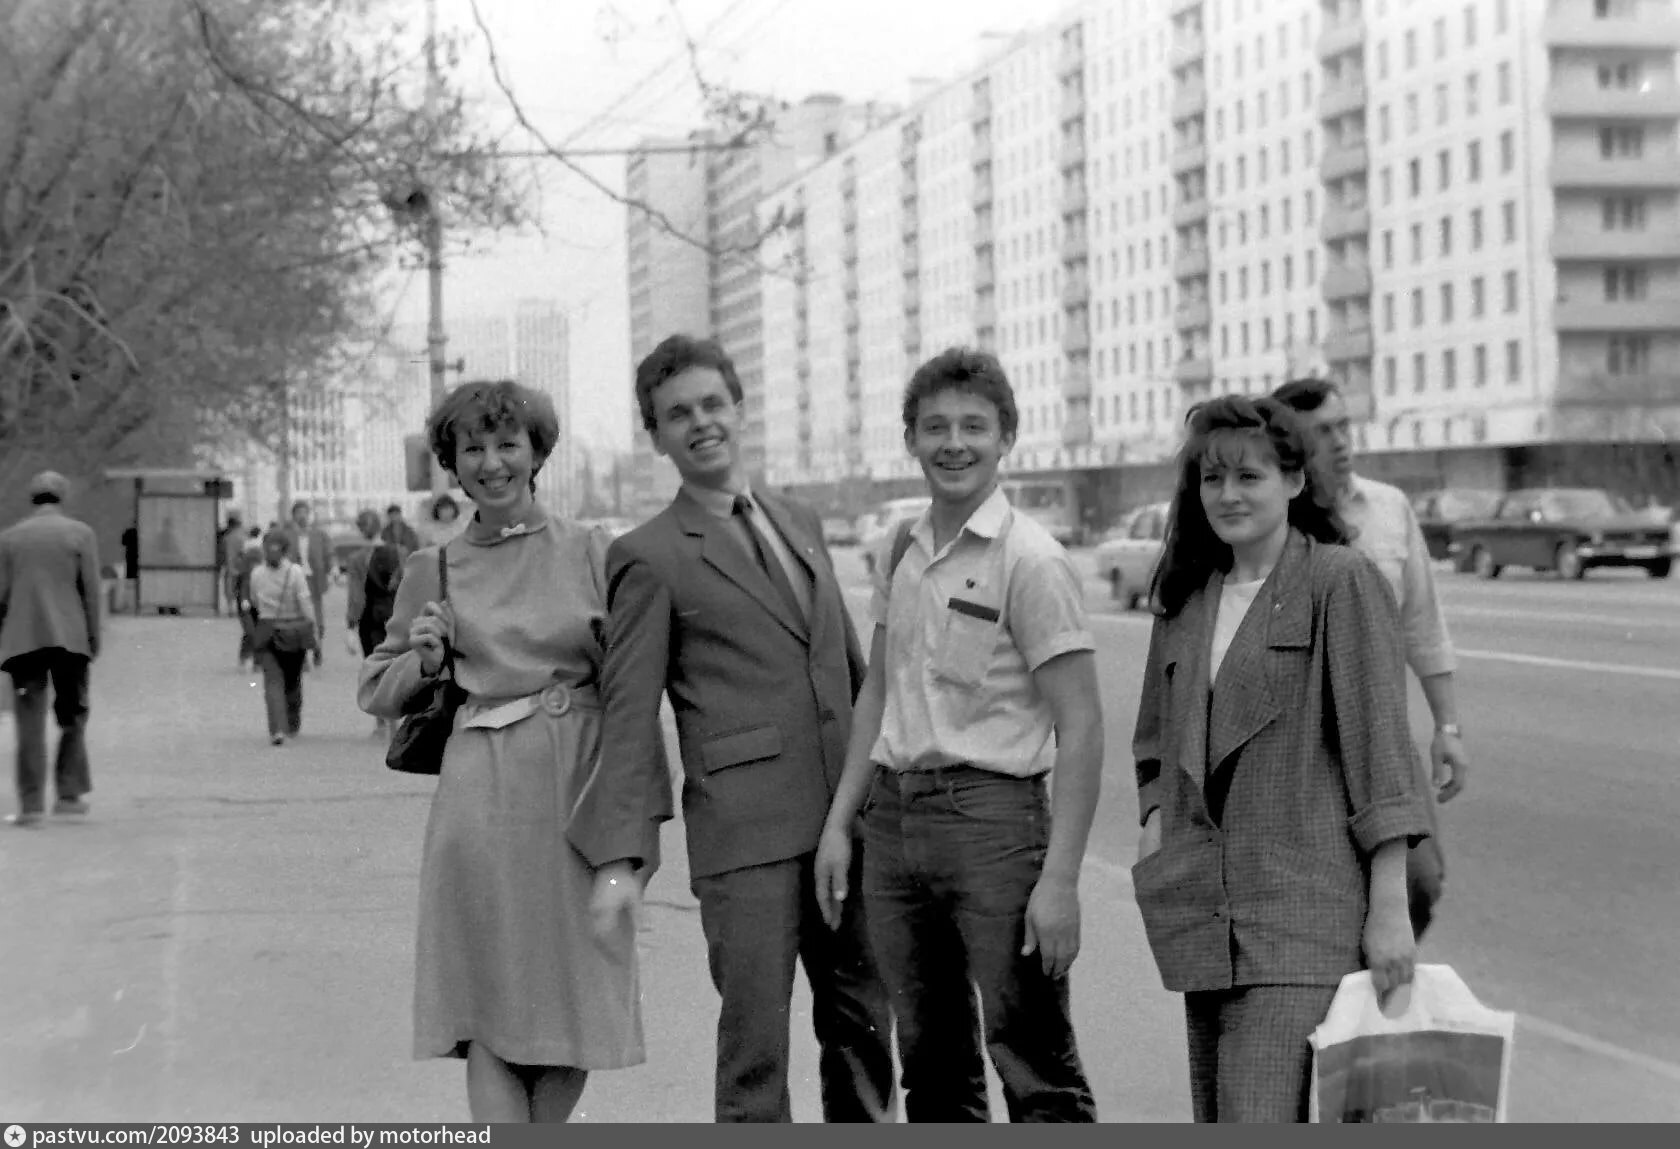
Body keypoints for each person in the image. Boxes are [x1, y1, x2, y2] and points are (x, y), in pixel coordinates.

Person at [571, 335, 894, 1124]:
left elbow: (852, 674)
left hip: (846, 826)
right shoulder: (647, 555)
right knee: (756, 1053)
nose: (702, 423)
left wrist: (883, 800)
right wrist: (619, 859)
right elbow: (629, 714)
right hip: (746, 840)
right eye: (679, 414)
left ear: (741, 409)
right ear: (657, 437)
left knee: (864, 1034)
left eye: (713, 403)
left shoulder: (800, 518)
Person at [812, 347, 1104, 1123]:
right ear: (909, 438)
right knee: (932, 1065)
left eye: (974, 426)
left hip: (994, 826)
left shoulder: (1031, 559)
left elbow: (1081, 724)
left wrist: (1060, 880)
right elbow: (878, 689)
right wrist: (841, 821)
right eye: (935, 426)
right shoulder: (900, 548)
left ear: (1006, 436)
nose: (954, 443)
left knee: (1033, 1059)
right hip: (895, 823)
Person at [359, 380, 655, 1123]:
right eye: (473, 448)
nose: (491, 463)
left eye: (507, 444)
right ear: (453, 463)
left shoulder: (594, 551)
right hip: (482, 793)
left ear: (537, 451)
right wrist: (424, 659)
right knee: (493, 1006)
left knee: (576, 1000)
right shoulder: (435, 567)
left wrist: (637, 818)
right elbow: (375, 688)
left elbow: (634, 687)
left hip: (578, 791)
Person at [1129, 395, 1430, 1123]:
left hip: (1302, 918)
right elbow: (1154, 742)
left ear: (1295, 482)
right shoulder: (1188, 600)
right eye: (1212, 479)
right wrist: (1155, 825)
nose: (1228, 495)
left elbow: (1381, 753)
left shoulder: (1338, 580)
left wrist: (1390, 908)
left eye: (1250, 477)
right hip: (1204, 918)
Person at [1272, 377, 1466, 936]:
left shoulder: (1388, 508)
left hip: (1383, 738)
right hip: (1299, 745)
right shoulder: (1274, 522)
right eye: (1321, 432)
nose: (1339, 442)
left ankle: (1370, 982)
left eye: (1343, 426)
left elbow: (1423, 625)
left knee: (1419, 884)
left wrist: (1448, 727)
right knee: (1320, 897)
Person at [0, 470, 101, 827]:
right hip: (70, 640)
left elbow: (1, 596)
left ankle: (31, 806)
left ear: (32, 498)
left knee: (29, 721)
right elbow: (91, 592)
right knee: (73, 715)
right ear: (62, 497)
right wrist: (93, 640)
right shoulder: (80, 534)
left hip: (24, 641)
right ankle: (68, 795)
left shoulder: (9, 538)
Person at [244, 529, 319, 746]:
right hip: (294, 631)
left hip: (268, 630)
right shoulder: (295, 572)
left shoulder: (257, 574)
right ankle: (292, 723)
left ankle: (277, 729)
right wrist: (313, 630)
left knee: (272, 682)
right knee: (293, 680)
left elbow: (254, 601)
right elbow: (305, 603)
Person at [344, 509, 402, 736]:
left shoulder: (357, 559)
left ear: (361, 530)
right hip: (395, 615)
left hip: (370, 618)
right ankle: (395, 713)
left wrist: (351, 623)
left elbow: (356, 594)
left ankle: (381, 719)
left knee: (374, 665)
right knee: (395, 665)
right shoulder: (399, 552)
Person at [281, 501, 332, 648]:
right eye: (299, 513)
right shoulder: (287, 535)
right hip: (294, 579)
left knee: (316, 612)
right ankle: (301, 645)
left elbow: (329, 553)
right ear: (294, 516)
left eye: (305, 512)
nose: (302, 516)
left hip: (313, 579)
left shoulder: (319, 534)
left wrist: (333, 568)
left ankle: (318, 643)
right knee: (297, 613)